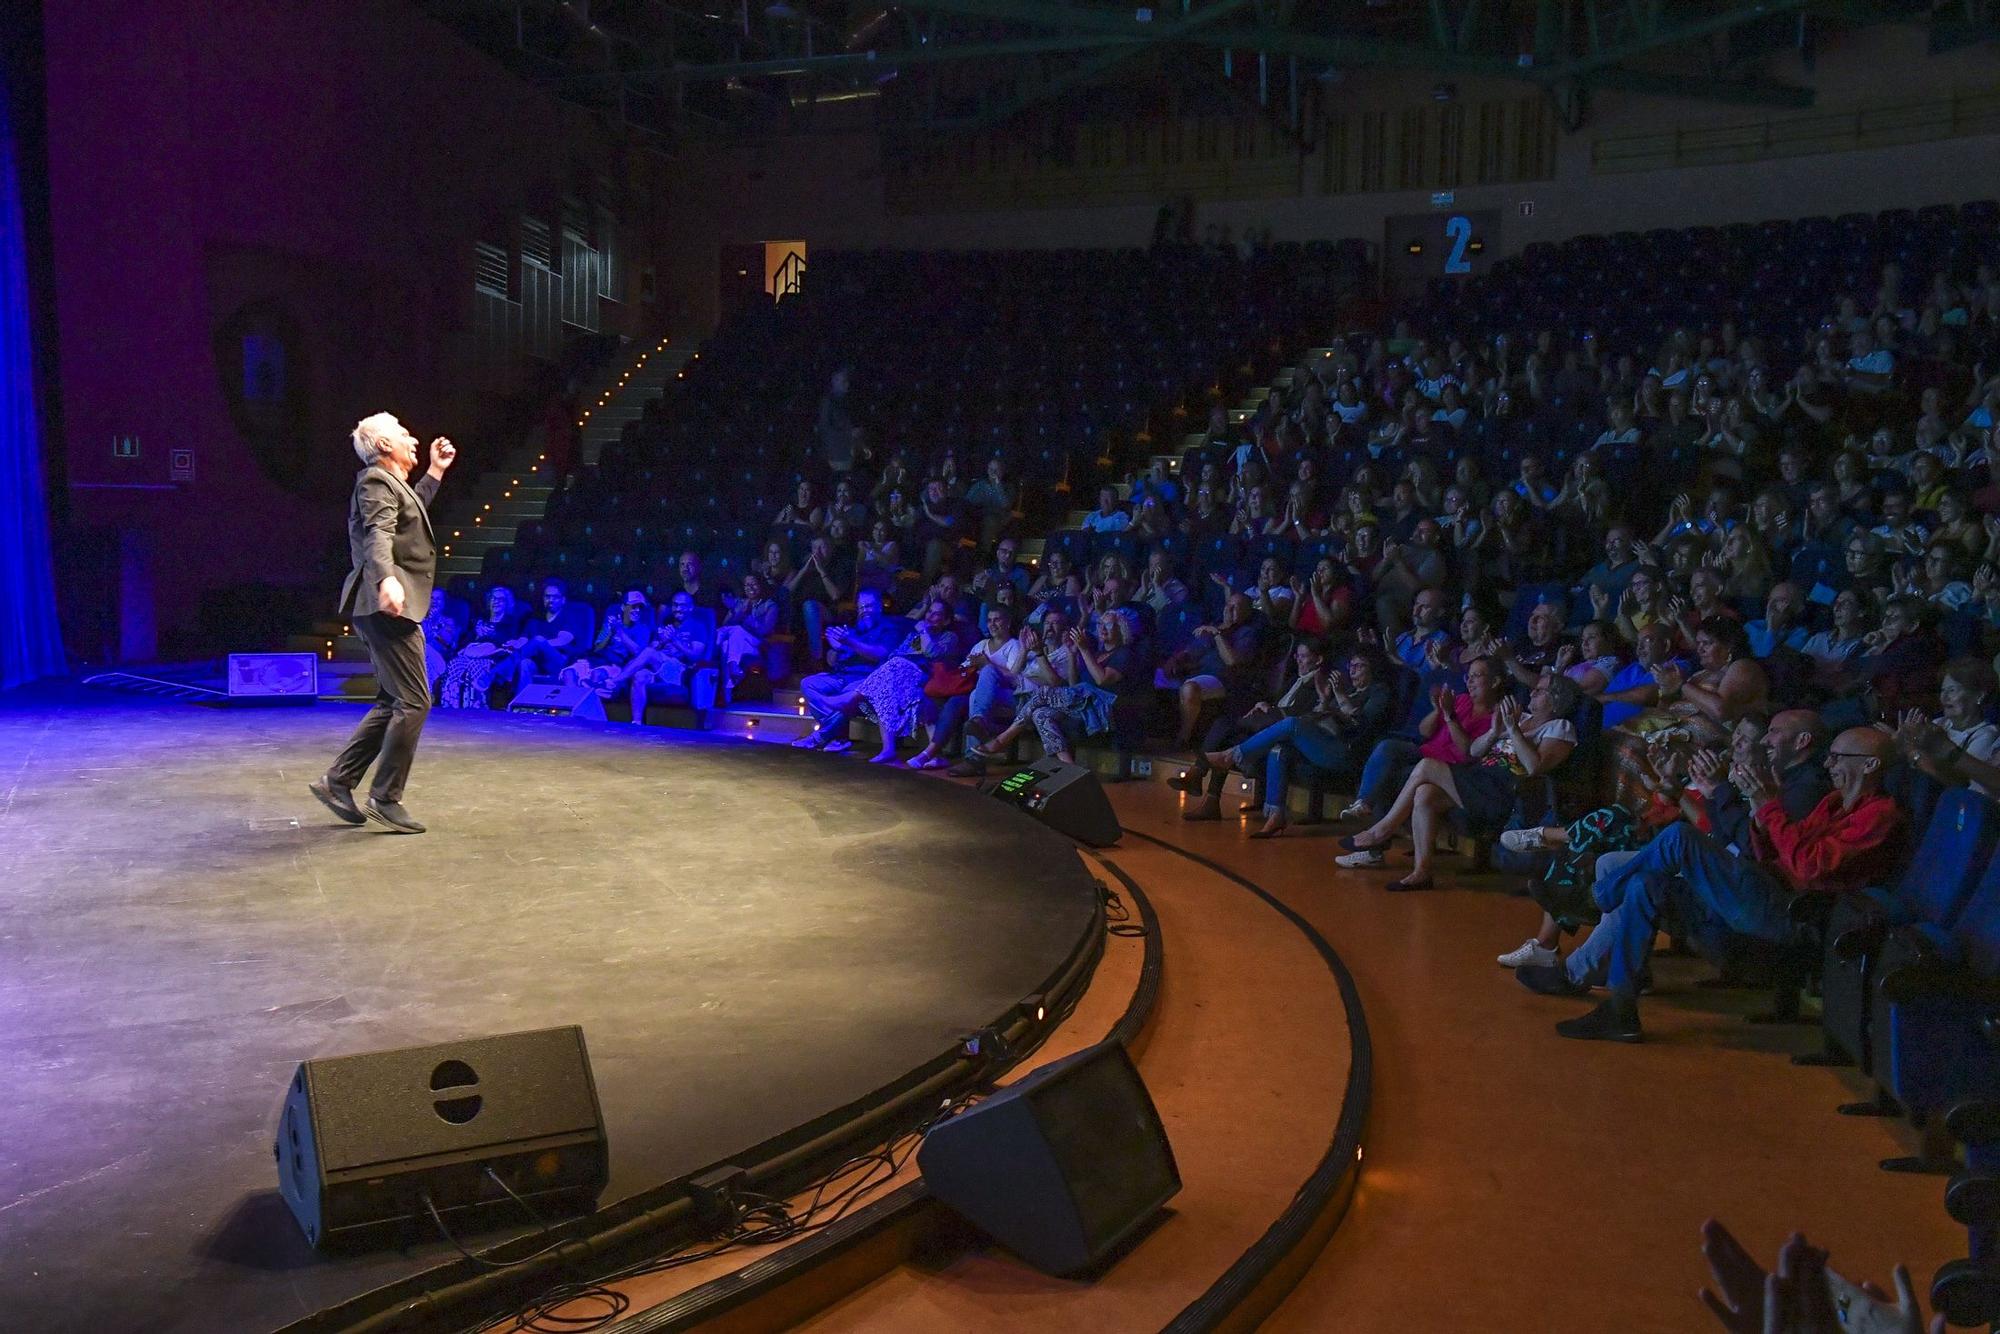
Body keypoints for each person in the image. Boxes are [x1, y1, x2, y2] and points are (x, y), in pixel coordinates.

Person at [1516, 727, 1902, 1043]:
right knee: (1644, 886)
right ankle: (1621, 1008)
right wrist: (1758, 811)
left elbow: (1808, 867)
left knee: (1679, 838)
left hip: (1793, 911)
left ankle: (1597, 893)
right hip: (1766, 887)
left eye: (1838, 758)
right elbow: (1770, 851)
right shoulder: (1834, 802)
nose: (1829, 763)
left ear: (1870, 765)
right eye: (1829, 755)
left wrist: (1766, 806)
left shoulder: (1880, 814)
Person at [311, 412, 456, 834]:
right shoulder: (374, 481)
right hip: (385, 603)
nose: (413, 437)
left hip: (376, 606)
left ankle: (337, 781)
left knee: (394, 701)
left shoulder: (392, 486)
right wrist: (388, 579)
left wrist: (434, 473)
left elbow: (409, 518)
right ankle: (386, 797)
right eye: (403, 434)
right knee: (415, 701)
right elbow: (379, 533)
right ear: (383, 447)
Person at [1337, 672, 1580, 890]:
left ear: (1556, 699)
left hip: (1504, 790)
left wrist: (1513, 730)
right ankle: (1422, 872)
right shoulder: (1521, 717)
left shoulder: (1560, 727)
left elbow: (1535, 767)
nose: (1532, 692)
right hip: (1480, 778)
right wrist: (1496, 732)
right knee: (1425, 793)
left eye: (1540, 690)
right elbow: (1475, 750)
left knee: (1426, 766)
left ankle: (1382, 830)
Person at [796, 598, 963, 763]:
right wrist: (839, 649)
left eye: (936, 614)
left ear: (946, 620)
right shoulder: (863, 629)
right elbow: (895, 653)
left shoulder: (948, 636)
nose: (930, 616)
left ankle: (845, 706)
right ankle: (888, 750)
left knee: (892, 668)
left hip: (923, 676)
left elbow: (931, 653)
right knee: (885, 686)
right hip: (894, 674)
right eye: (929, 612)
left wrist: (923, 631)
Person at [793, 589, 909, 751]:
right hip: (842, 676)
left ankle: (821, 738)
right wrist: (836, 649)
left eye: (868, 606)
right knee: (809, 684)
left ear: (879, 607)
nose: (864, 611)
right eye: (861, 607)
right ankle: (838, 737)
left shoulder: (889, 627)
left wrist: (849, 642)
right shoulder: (856, 628)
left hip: (867, 680)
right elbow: (835, 659)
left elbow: (879, 653)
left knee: (847, 694)